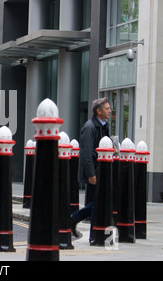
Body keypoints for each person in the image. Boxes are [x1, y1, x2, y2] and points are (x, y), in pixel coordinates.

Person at [70, 97, 111, 241]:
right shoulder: (90, 127)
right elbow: (86, 153)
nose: (110, 111)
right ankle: (92, 233)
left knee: (98, 202)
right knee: (97, 202)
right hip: (94, 171)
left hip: (102, 170)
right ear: (99, 111)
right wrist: (91, 173)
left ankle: (75, 220)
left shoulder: (104, 126)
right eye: (107, 108)